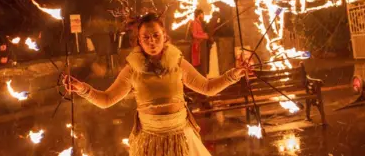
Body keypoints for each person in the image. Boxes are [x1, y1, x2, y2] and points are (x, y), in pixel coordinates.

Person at [63, 13, 251, 156]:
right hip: (150, 143)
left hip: (181, 139)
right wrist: (82, 88)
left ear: (164, 36)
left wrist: (235, 74)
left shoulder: (178, 63)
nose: (152, 41)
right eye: (146, 37)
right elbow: (106, 100)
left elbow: (208, 88)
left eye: (156, 35)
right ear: (139, 40)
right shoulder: (132, 70)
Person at [191, 9, 210, 76]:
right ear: (199, 14)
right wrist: (204, 36)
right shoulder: (194, 23)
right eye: (202, 14)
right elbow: (194, 34)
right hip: (198, 45)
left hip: (202, 44)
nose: (203, 15)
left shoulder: (199, 23)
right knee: (199, 63)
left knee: (203, 63)